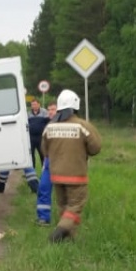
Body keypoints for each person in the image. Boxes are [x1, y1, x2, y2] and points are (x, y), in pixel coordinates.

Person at [40, 89, 102, 243]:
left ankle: (69, 240)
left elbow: (44, 150)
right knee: (75, 206)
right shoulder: (82, 126)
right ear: (76, 105)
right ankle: (58, 234)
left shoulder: (49, 127)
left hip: (56, 175)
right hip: (76, 175)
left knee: (64, 206)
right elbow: (96, 148)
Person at [35, 102, 57, 226]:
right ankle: (44, 218)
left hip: (62, 160)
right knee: (43, 187)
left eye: (53, 109)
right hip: (49, 160)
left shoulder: (63, 124)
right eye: (49, 110)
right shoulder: (48, 124)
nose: (50, 112)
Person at [27, 98, 50, 170]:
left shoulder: (45, 112)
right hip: (31, 137)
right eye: (32, 105)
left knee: (42, 154)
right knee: (31, 155)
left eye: (35, 104)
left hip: (41, 137)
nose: (34, 106)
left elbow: (48, 123)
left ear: (39, 104)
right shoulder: (28, 113)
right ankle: (32, 171)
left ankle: (44, 170)